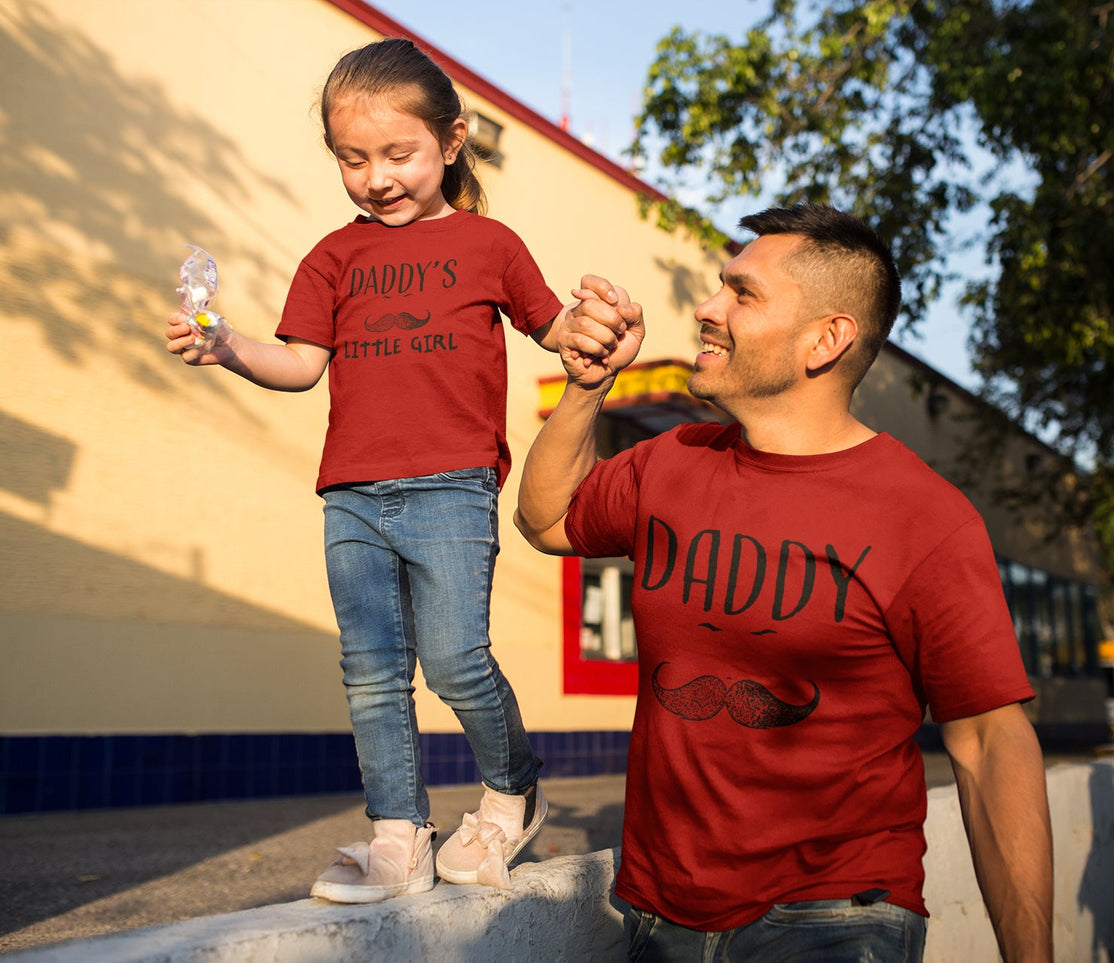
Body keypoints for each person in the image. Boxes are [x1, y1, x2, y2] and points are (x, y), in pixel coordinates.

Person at [515, 204, 1054, 961]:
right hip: (659, 916)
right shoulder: (673, 461)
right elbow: (546, 520)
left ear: (825, 340)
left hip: (835, 919)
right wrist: (586, 385)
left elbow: (991, 743)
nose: (707, 308)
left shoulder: (924, 518)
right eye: (718, 287)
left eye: (743, 293)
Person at [164, 38, 557, 904]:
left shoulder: (491, 244)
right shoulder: (331, 259)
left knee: (456, 661)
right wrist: (225, 345)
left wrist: (598, 326)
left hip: (452, 484)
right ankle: (398, 832)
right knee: (372, 671)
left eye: (397, 154)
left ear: (451, 143)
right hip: (351, 493)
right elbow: (302, 364)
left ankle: (513, 786)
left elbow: (555, 330)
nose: (375, 177)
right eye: (352, 158)